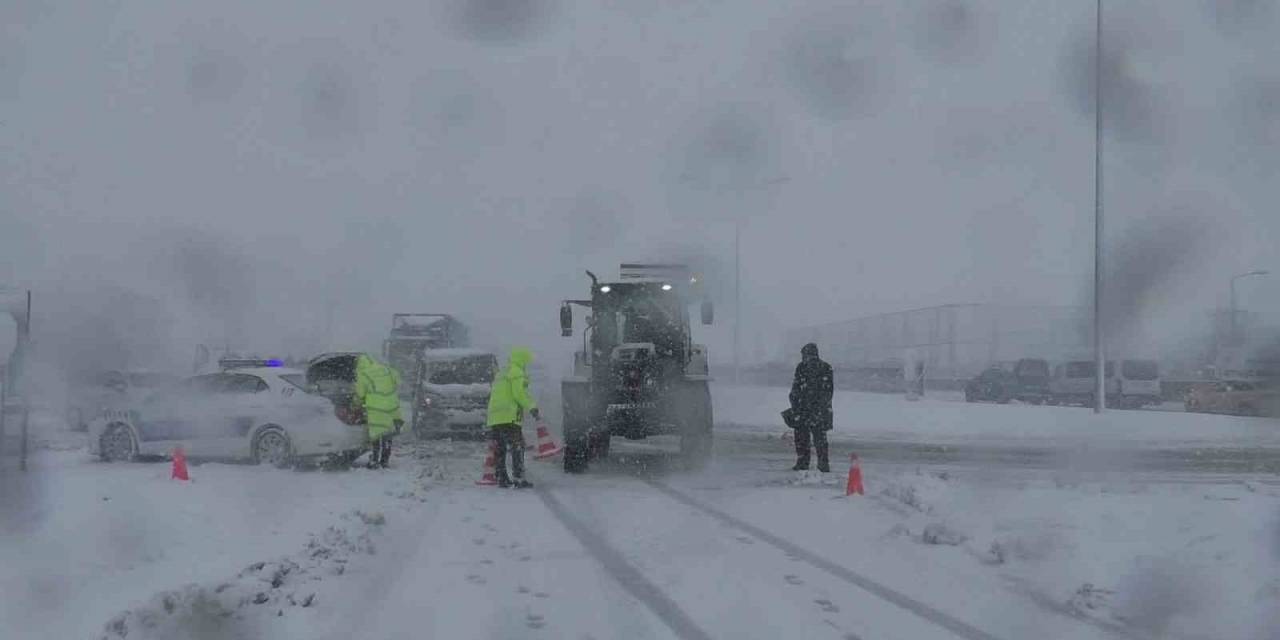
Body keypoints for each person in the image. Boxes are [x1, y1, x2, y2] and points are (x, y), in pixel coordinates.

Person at [486, 346, 540, 488]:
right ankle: (518, 478)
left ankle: (501, 477)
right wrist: (532, 407)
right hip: (508, 416)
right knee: (517, 446)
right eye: (526, 362)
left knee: (500, 448)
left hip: (495, 416)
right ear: (522, 360)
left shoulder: (502, 373)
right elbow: (519, 394)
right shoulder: (516, 372)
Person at [789, 343, 834, 472]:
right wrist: (822, 407)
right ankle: (823, 463)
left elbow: (795, 388)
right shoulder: (826, 367)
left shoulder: (802, 367)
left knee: (802, 438)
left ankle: (803, 462)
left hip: (803, 408)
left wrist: (795, 404)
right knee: (820, 438)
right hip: (819, 409)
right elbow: (829, 391)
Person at [355, 353, 403, 469]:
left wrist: (356, 404)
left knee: (376, 435)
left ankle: (375, 461)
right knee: (387, 434)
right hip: (391, 407)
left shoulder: (363, 374)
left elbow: (360, 394)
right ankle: (385, 460)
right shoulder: (386, 369)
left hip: (376, 410)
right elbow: (399, 381)